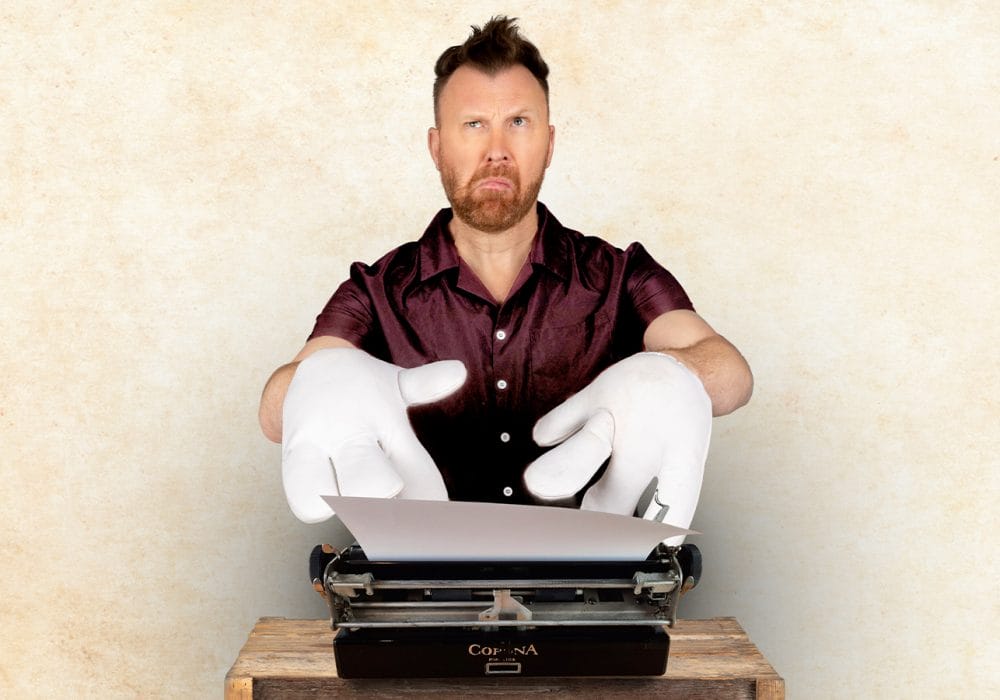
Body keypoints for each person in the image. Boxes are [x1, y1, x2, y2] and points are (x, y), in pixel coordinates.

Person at [259, 17, 752, 536]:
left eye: (518, 122)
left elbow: (731, 374)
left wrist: (669, 378)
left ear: (550, 142)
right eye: (474, 124)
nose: (497, 150)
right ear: (436, 147)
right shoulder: (375, 290)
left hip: (598, 598)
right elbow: (275, 414)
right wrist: (322, 384)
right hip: (415, 596)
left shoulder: (622, 273)